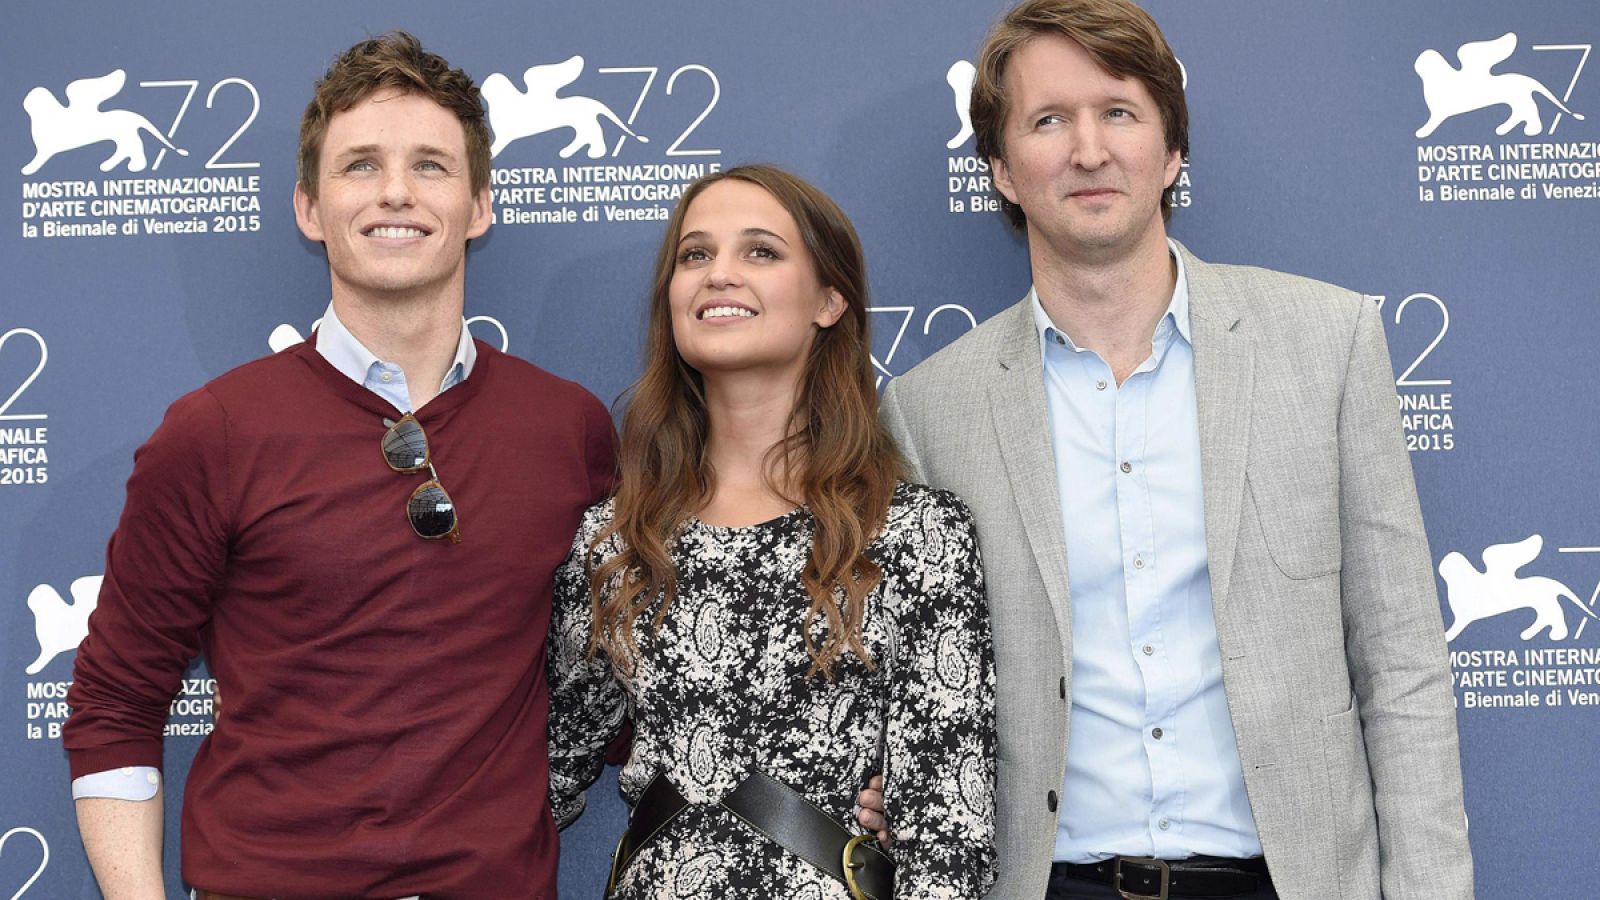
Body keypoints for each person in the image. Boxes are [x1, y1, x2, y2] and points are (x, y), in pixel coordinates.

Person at [864, 1, 1475, 898]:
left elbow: (1403, 665)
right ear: (999, 169)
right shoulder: (926, 412)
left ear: (1172, 150)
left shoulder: (1327, 342)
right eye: (1047, 120)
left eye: (1119, 111)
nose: (1088, 149)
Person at [63, 33, 614, 899]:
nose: (396, 190)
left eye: (431, 165)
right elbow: (115, 702)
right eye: (360, 165)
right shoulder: (214, 432)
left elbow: (635, 676)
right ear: (309, 209)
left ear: (480, 206)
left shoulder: (568, 428)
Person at [544, 165, 997, 899]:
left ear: (829, 299)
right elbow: (544, 770)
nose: (719, 274)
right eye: (695, 255)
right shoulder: (615, 542)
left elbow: (951, 835)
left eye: (760, 252)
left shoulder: (918, 535)